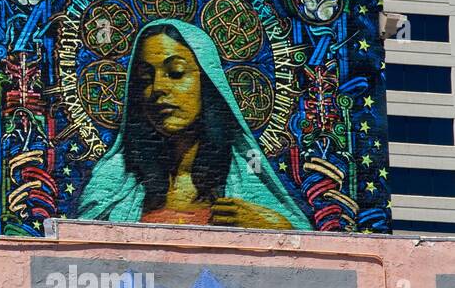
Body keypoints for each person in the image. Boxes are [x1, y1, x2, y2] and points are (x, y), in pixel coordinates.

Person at [75, 18, 309, 230]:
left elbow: (308, 260)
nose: (157, 88)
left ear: (207, 84)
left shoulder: (247, 169)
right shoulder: (115, 179)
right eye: (145, 79)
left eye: (176, 73)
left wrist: (276, 227)